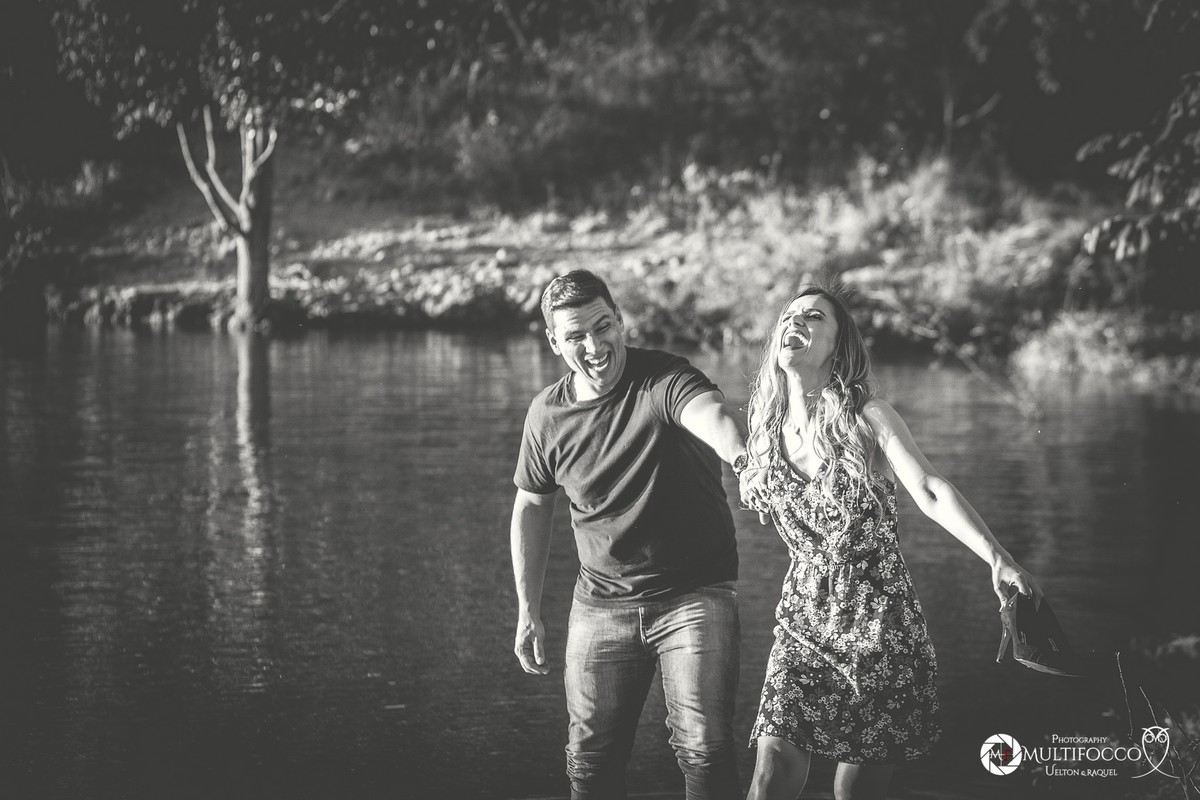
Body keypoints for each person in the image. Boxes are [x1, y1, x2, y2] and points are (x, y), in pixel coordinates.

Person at [737, 285, 1044, 800]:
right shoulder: (763, 430)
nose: (797, 321)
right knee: (771, 769)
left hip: (881, 622)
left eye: (815, 317)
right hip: (802, 619)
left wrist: (999, 557)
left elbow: (928, 490)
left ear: (838, 346)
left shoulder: (867, 417)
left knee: (853, 793)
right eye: (790, 315)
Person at [510, 269, 749, 800]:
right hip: (600, 605)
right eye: (576, 336)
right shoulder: (546, 415)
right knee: (590, 762)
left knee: (705, 750)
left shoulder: (663, 378)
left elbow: (709, 414)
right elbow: (531, 504)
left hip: (695, 595)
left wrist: (743, 459)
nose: (594, 346)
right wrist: (528, 608)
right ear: (554, 342)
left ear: (620, 321)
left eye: (603, 327)